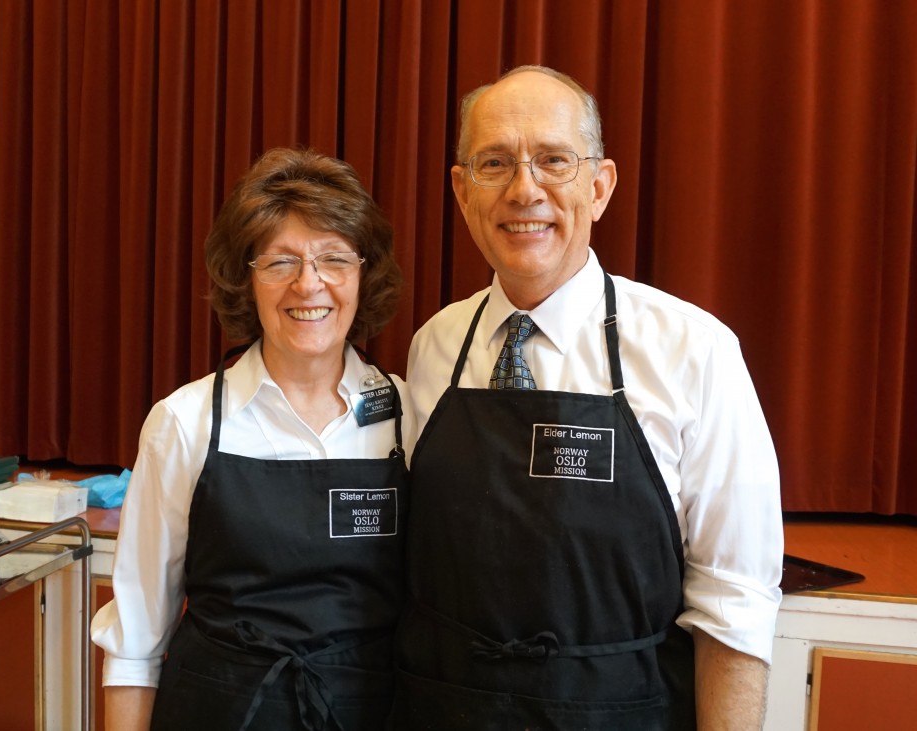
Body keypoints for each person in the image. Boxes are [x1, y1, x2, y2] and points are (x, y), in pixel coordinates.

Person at [391, 65, 783, 730]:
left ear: (599, 187)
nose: (524, 189)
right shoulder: (433, 348)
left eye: (553, 160)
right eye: (495, 163)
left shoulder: (695, 352)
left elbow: (735, 605)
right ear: (462, 191)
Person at [91, 147, 409, 731]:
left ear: (364, 274)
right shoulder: (185, 422)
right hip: (218, 710)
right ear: (247, 279)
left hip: (367, 712)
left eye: (333, 259)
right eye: (280, 262)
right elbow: (135, 641)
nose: (309, 284)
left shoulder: (408, 419)